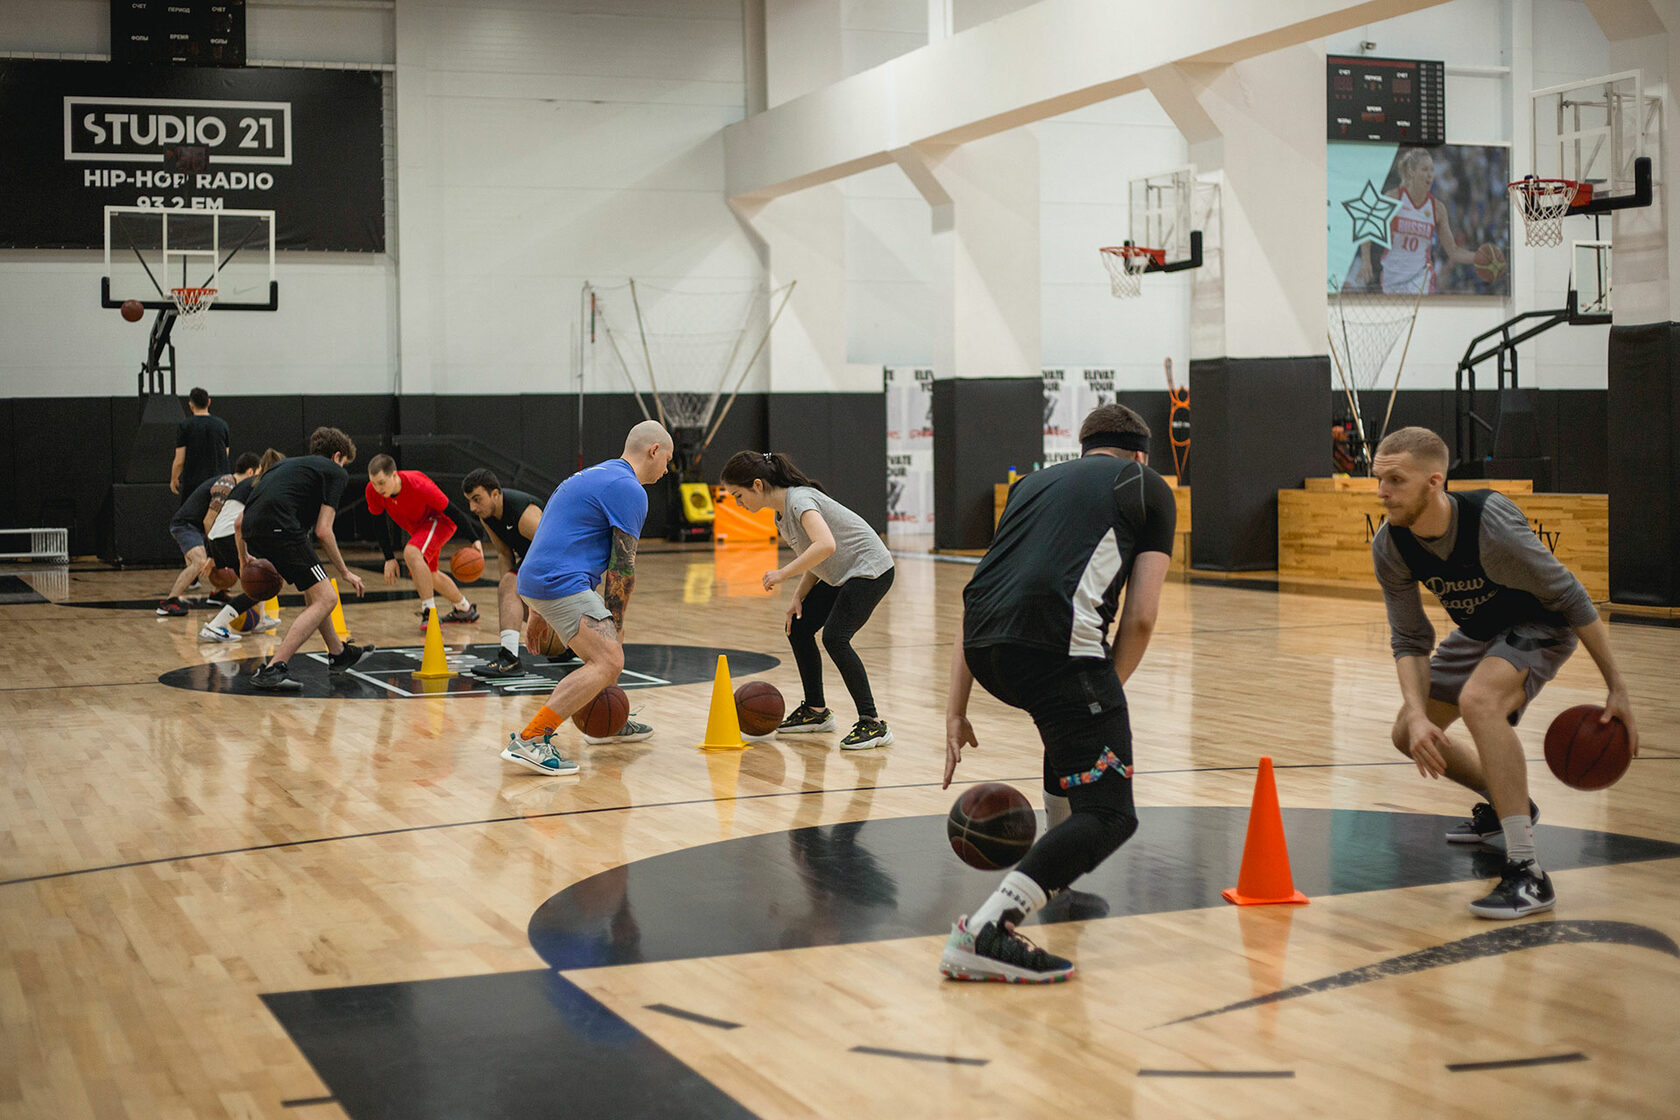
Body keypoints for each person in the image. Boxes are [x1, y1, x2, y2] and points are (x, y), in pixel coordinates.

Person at [941, 403, 1175, 982]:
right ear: (1142, 453)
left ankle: (1057, 881)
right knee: (1111, 813)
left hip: (987, 649)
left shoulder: (1030, 485)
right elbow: (1142, 617)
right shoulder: (1146, 486)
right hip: (1057, 649)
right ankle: (987, 931)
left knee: (1069, 735)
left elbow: (981, 591)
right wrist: (1101, 695)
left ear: (1083, 448)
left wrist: (955, 709)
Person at [1371, 427, 1639, 918]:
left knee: (1480, 701)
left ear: (1435, 482)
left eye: (1395, 480)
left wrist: (1617, 689)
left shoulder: (1489, 526)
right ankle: (1506, 806)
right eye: (1378, 478)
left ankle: (1528, 872)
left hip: (1543, 623)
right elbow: (1410, 640)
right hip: (1481, 630)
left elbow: (1573, 598)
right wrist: (1416, 713)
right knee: (1405, 732)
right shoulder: (1391, 544)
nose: (1382, 492)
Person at [501, 421, 672, 775]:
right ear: (654, 450)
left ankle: (611, 720)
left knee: (605, 652)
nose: (667, 469)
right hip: (558, 580)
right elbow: (622, 569)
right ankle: (531, 739)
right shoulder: (630, 489)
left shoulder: (593, 475)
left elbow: (554, 530)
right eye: (667, 459)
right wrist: (616, 626)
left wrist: (537, 609)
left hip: (542, 577)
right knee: (609, 658)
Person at [719, 451, 897, 750]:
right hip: (842, 573)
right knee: (798, 627)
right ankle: (816, 712)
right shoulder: (781, 514)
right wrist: (798, 597)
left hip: (870, 570)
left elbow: (825, 545)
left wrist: (783, 573)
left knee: (836, 638)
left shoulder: (800, 500)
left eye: (739, 495)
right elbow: (816, 558)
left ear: (758, 485)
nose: (738, 503)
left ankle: (873, 723)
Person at [238, 427, 370, 691]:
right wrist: (345, 572)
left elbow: (240, 521)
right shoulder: (335, 471)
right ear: (337, 456)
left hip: (254, 529)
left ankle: (338, 653)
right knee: (328, 597)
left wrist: (243, 561)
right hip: (281, 529)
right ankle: (274, 668)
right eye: (344, 463)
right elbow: (324, 530)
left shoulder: (285, 466)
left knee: (315, 593)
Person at [364, 455, 480, 630]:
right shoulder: (372, 491)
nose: (377, 488)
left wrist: (475, 539)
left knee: (411, 552)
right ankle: (464, 608)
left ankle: (429, 611)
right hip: (420, 530)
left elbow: (453, 511)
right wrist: (389, 557)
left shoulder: (418, 485)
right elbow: (379, 524)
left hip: (440, 521)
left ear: (394, 475)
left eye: (381, 482)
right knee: (429, 575)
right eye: (373, 483)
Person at [1352, 147, 1481, 295]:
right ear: (1412, 172)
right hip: (1392, 277)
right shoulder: (1395, 197)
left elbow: (1453, 251)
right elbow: (1368, 225)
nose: (1430, 175)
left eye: (1432, 170)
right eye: (1424, 169)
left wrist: (1477, 257)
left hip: (1420, 279)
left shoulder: (1437, 208)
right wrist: (1366, 261)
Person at [461, 468, 546, 678]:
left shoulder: (522, 511)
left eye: (477, 499)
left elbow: (553, 547)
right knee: (514, 600)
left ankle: (509, 659)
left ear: (495, 494)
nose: (473, 507)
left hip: (557, 555)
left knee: (517, 593)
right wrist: (506, 590)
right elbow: (503, 552)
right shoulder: (488, 516)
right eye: (469, 501)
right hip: (534, 558)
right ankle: (566, 645)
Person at [198, 449, 286, 642]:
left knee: (260, 578)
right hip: (230, 535)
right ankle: (215, 626)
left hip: (216, 536)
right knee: (260, 585)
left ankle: (261, 620)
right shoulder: (267, 484)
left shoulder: (249, 482)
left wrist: (212, 554)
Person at [157, 456, 253, 616]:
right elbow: (208, 521)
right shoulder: (227, 484)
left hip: (199, 526)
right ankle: (169, 602)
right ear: (251, 471)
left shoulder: (235, 487)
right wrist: (212, 554)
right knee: (200, 561)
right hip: (187, 525)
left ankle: (218, 594)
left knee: (224, 557)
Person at [171, 387, 230, 499]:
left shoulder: (185, 425)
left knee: (193, 515)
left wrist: (174, 478)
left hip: (194, 483)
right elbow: (225, 454)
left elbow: (179, 460)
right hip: (219, 482)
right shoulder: (222, 425)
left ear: (191, 405)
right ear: (209, 402)